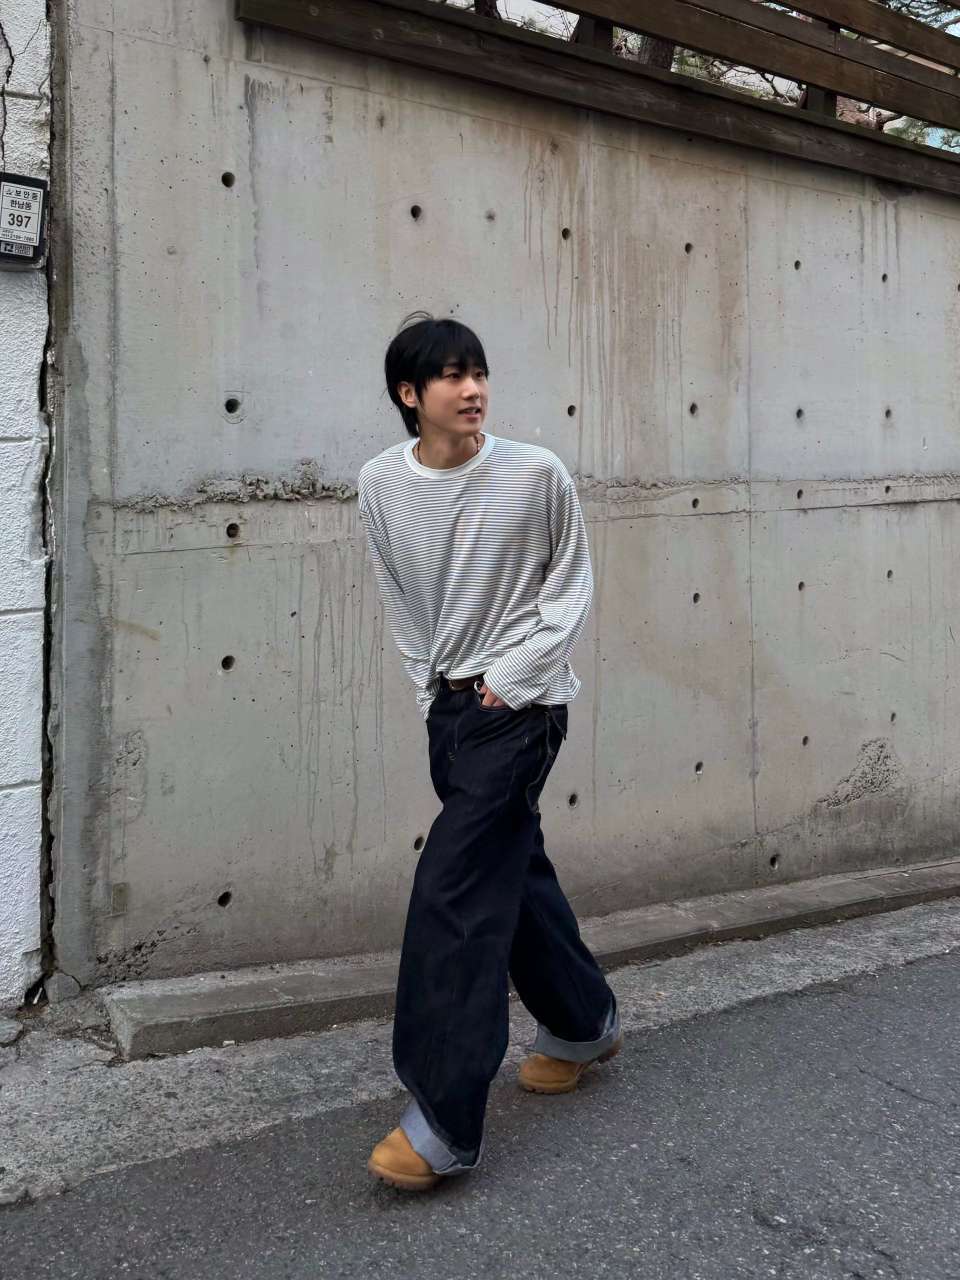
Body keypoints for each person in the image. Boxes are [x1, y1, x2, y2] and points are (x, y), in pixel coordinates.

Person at [357, 313, 621, 1192]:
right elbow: (400, 593)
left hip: (522, 707)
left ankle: (443, 1120)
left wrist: (509, 678)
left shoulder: (535, 474)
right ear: (410, 394)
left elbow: (569, 588)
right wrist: (429, 688)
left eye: (479, 372)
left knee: (456, 888)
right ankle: (582, 1023)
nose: (473, 390)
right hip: (452, 706)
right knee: (514, 869)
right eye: (451, 376)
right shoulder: (381, 484)